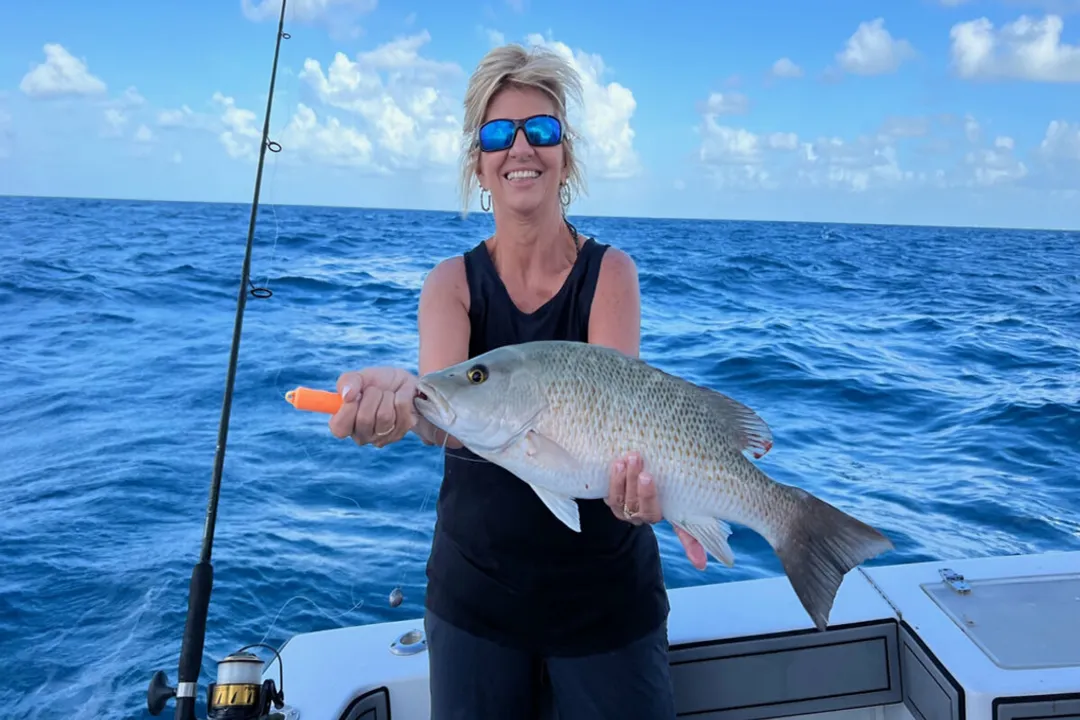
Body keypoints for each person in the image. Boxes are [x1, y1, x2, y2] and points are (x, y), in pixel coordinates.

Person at [328, 42, 707, 720]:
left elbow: (619, 428)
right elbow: (444, 418)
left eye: (542, 129)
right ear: (479, 162)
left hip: (607, 606)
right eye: (499, 133)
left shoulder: (611, 274)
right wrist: (404, 404)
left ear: (566, 155)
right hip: (475, 606)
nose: (521, 147)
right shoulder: (450, 284)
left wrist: (664, 496)